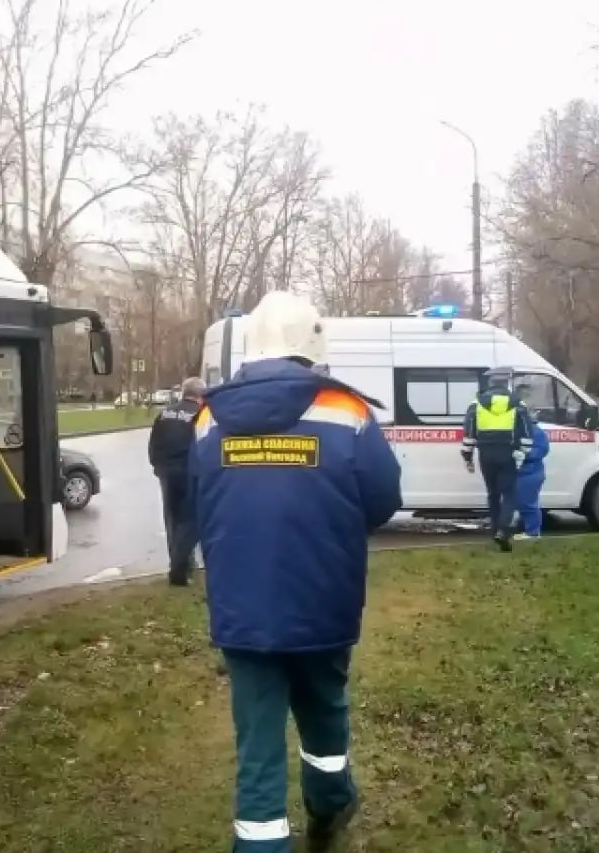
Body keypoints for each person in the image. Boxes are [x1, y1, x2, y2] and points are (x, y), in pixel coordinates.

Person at [186, 291, 402, 852]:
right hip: (322, 601)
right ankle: (330, 807)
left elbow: (196, 502)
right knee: (325, 711)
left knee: (258, 742)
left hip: (242, 609)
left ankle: (260, 843)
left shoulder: (208, 417)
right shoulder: (347, 411)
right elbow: (383, 498)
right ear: (313, 345)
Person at [460, 368, 534, 552]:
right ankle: (503, 530)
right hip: (508, 454)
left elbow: (469, 431)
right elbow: (527, 432)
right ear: (506, 383)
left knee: (492, 493)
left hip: (486, 454)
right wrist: (522, 454)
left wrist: (468, 456)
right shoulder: (518, 403)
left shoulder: (476, 403)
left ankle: (495, 530)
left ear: (490, 383)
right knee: (509, 494)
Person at [148, 376, 205, 586]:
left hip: (166, 472)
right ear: (200, 396)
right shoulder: (200, 414)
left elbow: (153, 442)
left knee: (172, 519)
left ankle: (179, 562)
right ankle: (179, 570)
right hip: (188, 472)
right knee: (189, 521)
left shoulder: (164, 413)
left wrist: (156, 466)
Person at [515, 416, 550, 539]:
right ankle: (530, 531)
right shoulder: (520, 429)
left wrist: (524, 454)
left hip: (530, 473)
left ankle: (533, 533)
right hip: (525, 473)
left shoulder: (534, 431)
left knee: (528, 503)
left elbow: (542, 449)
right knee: (523, 503)